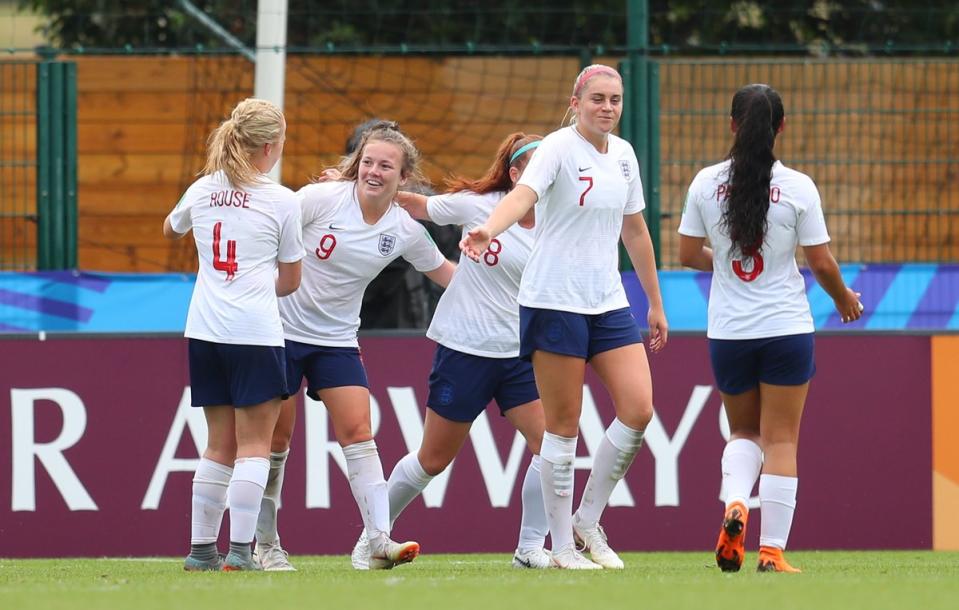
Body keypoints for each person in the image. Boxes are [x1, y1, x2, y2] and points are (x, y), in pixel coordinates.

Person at [460, 64, 668, 570]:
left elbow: (635, 232)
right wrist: (490, 229)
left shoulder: (623, 155)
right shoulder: (555, 147)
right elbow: (523, 196)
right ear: (575, 102)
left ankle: (587, 522)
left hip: (608, 301)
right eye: (597, 98)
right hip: (553, 299)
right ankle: (557, 547)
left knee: (639, 409)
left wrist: (655, 303)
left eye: (615, 100)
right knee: (562, 428)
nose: (608, 108)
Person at [677, 84, 863, 574]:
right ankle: (771, 552)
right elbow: (820, 262)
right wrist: (843, 298)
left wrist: (726, 262)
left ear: (733, 124)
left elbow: (685, 254)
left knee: (743, 430)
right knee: (782, 440)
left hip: (729, 332)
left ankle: (736, 502)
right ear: (781, 127)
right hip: (785, 328)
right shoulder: (799, 187)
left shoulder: (704, 183)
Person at [350, 132, 552, 570]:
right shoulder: (478, 204)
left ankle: (530, 548)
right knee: (433, 459)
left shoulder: (561, 219)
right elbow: (418, 205)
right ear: (515, 174)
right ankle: (373, 537)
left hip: (520, 356)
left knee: (550, 445)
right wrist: (351, 186)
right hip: (464, 349)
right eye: (537, 168)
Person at [262, 121, 456, 571]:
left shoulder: (404, 229)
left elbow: (445, 273)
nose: (373, 171)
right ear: (356, 165)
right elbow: (265, 232)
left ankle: (376, 541)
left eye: (385, 166)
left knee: (359, 433)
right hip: (281, 333)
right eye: (367, 162)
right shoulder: (319, 199)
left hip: (336, 341)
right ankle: (267, 546)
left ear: (403, 177)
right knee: (275, 441)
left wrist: (506, 294)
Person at [162, 98, 304, 572]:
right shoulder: (282, 200)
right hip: (255, 331)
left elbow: (170, 228)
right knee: (254, 445)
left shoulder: (202, 189)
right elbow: (291, 279)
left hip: (204, 330)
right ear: (268, 147)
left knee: (217, 444)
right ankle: (241, 552)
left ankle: (201, 550)